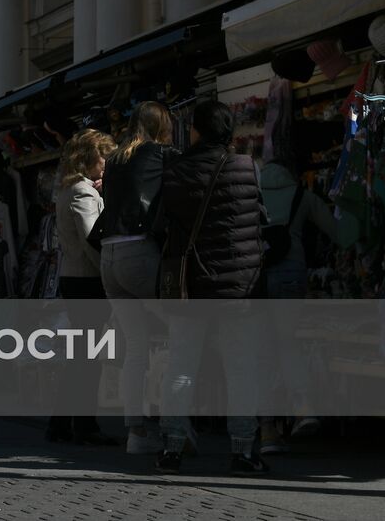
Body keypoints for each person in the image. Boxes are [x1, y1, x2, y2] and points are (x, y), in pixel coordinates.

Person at [155, 100, 267, 475]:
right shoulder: (249, 168)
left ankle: (171, 447)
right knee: (241, 369)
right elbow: (260, 220)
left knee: (182, 366)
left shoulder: (175, 171)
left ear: (197, 131)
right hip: (239, 286)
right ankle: (244, 451)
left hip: (191, 286)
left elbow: (160, 225)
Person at [93, 101, 178, 454]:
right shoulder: (162, 155)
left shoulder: (114, 160)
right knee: (183, 335)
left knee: (136, 348)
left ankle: (136, 433)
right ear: (162, 126)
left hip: (109, 256)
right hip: (139, 251)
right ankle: (178, 429)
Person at [256, 152, 353, 452]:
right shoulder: (303, 195)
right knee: (287, 343)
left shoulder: (251, 196)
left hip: (256, 275)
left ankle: (268, 429)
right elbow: (340, 235)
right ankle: (303, 407)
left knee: (262, 349)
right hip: (290, 274)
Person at [47, 129, 119, 446]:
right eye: (103, 158)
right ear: (90, 158)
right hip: (87, 281)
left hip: (75, 279)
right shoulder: (82, 193)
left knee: (81, 356)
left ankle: (63, 423)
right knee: (87, 359)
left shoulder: (70, 189)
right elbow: (94, 240)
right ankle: (82, 424)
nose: (106, 166)